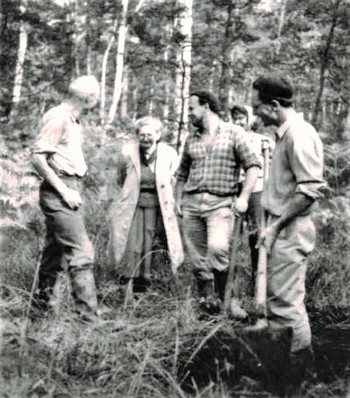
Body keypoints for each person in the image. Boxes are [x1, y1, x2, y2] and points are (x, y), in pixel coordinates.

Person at [251, 75, 326, 379]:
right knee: (278, 301)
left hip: (290, 228)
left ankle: (298, 373)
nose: (255, 113)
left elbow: (309, 190)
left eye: (258, 107)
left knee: (286, 304)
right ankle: (284, 368)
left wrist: (277, 226)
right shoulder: (283, 135)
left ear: (274, 105)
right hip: (279, 226)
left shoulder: (298, 135)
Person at [175, 91, 261, 316]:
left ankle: (228, 302)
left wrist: (243, 198)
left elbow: (253, 166)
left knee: (218, 248)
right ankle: (207, 303)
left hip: (221, 203)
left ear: (206, 106)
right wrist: (178, 200)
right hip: (192, 204)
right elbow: (182, 173)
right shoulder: (191, 138)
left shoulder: (234, 133)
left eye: (192, 108)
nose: (189, 113)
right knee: (197, 258)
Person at [31, 75, 102, 318]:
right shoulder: (58, 117)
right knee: (81, 251)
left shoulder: (72, 119)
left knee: (55, 253)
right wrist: (64, 191)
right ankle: (89, 317)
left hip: (70, 187)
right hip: (60, 191)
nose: (98, 99)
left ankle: (40, 311)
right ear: (89, 98)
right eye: (97, 95)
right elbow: (37, 158)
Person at [108, 116, 184, 293]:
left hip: (159, 207)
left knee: (153, 244)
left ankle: (152, 282)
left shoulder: (169, 154)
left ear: (158, 135)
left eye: (149, 134)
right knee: (132, 243)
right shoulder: (128, 153)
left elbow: (175, 178)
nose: (145, 138)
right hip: (133, 206)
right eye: (141, 135)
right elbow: (121, 178)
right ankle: (129, 281)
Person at [231, 104, 274, 294]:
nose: (238, 121)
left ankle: (259, 281)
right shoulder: (230, 138)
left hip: (257, 190)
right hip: (234, 189)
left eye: (242, 117)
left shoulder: (263, 140)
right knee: (231, 236)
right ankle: (229, 284)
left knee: (257, 234)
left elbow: (274, 164)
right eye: (235, 118)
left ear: (250, 119)